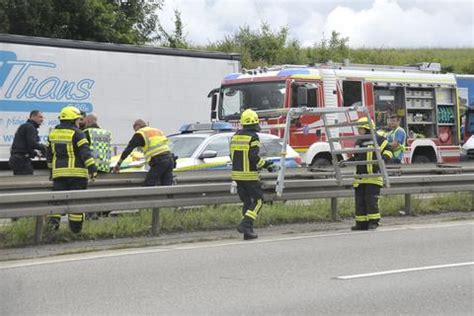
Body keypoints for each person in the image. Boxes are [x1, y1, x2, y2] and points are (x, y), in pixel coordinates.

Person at [46, 106, 98, 233]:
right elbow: (85, 153)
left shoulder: (52, 133)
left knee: (57, 204)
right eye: (78, 120)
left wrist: (52, 171)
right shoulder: (78, 133)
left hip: (59, 175)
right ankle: (75, 231)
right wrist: (92, 169)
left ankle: (52, 230)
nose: (79, 122)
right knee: (76, 204)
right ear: (73, 120)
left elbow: (49, 155)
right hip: (77, 175)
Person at [230, 109, 275, 240]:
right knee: (259, 201)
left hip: (237, 175)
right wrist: (267, 165)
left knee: (247, 203)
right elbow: (253, 157)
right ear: (255, 122)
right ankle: (246, 224)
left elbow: (232, 156)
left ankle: (248, 232)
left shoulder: (235, 136)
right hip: (249, 175)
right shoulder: (253, 137)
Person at [351, 117, 393, 231]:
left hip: (374, 177)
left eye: (361, 129)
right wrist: (345, 162)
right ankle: (361, 223)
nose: (359, 131)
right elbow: (355, 157)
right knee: (360, 201)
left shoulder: (379, 140)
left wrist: (381, 161)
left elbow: (389, 151)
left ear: (368, 128)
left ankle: (373, 222)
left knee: (371, 201)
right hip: (360, 178)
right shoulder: (359, 141)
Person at [113, 119, 174, 186]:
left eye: (134, 127)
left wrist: (118, 164)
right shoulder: (157, 131)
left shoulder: (140, 133)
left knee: (149, 184)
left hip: (159, 160)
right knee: (167, 186)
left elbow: (128, 150)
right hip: (169, 159)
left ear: (137, 126)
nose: (134, 130)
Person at [9, 110, 46, 175]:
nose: (42, 119)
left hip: (18, 159)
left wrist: (35, 153)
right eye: (40, 117)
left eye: (42, 117)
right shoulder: (30, 127)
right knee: (25, 180)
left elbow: (26, 145)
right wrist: (45, 148)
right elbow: (33, 144)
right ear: (33, 117)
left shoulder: (26, 126)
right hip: (21, 160)